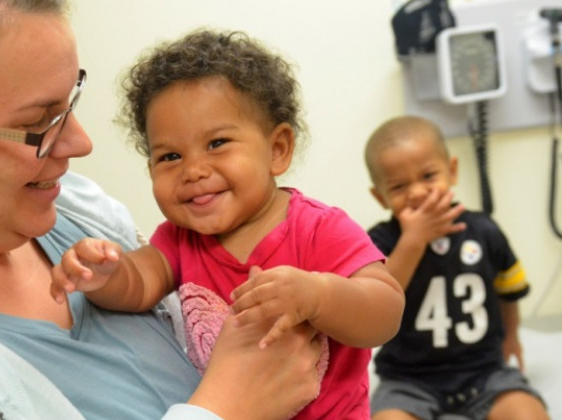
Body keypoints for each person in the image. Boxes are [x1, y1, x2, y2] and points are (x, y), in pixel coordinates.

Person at [0, 1, 327, 419]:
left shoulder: (79, 209)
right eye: (40, 122)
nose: (80, 144)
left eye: (69, 103)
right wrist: (224, 411)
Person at [52, 29, 405, 419]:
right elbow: (138, 285)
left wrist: (318, 296)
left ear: (277, 149)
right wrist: (105, 274)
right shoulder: (179, 239)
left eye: (217, 143)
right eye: (170, 156)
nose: (194, 170)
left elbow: (385, 311)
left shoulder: (318, 228)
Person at [364, 115, 549, 420]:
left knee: (528, 412)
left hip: (485, 373)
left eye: (428, 176)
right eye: (399, 186)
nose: (418, 192)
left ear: (451, 171)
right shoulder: (379, 241)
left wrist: (512, 335)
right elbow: (379, 298)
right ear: (380, 196)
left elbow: (509, 289)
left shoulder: (484, 231)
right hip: (408, 379)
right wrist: (414, 240)